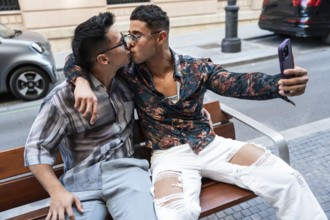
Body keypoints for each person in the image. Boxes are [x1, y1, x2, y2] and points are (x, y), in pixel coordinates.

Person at [64, 4, 327, 220]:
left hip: (211, 146)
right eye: (128, 35)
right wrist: (82, 82)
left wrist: (280, 84)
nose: (129, 43)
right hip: (169, 158)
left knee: (287, 178)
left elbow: (238, 82)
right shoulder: (127, 71)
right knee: (175, 214)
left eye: (136, 35)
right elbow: (78, 58)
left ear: (160, 37)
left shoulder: (196, 68)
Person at [24, 12, 157, 220]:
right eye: (122, 41)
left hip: (128, 174)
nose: (129, 44)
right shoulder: (62, 98)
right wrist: (56, 191)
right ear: (103, 59)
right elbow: (36, 148)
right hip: (81, 183)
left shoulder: (127, 78)